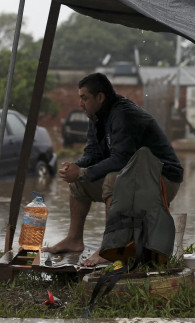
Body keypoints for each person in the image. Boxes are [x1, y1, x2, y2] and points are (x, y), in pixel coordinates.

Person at [44, 72, 184, 266]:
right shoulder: (97, 117)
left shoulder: (125, 114)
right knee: (79, 183)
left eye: (84, 98)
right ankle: (74, 239)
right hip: (134, 180)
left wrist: (83, 172)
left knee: (113, 178)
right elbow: (92, 152)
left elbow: (121, 160)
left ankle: (110, 247)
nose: (80, 103)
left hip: (163, 180)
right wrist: (76, 167)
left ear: (100, 97)